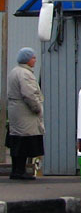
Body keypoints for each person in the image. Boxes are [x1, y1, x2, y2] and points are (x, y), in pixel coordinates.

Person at [6, 47, 44, 180]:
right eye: (33, 57)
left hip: (16, 112)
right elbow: (29, 94)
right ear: (27, 60)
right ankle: (20, 171)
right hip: (25, 114)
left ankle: (16, 170)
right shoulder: (25, 74)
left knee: (16, 142)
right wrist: (37, 108)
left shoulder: (14, 72)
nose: (35, 60)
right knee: (24, 142)